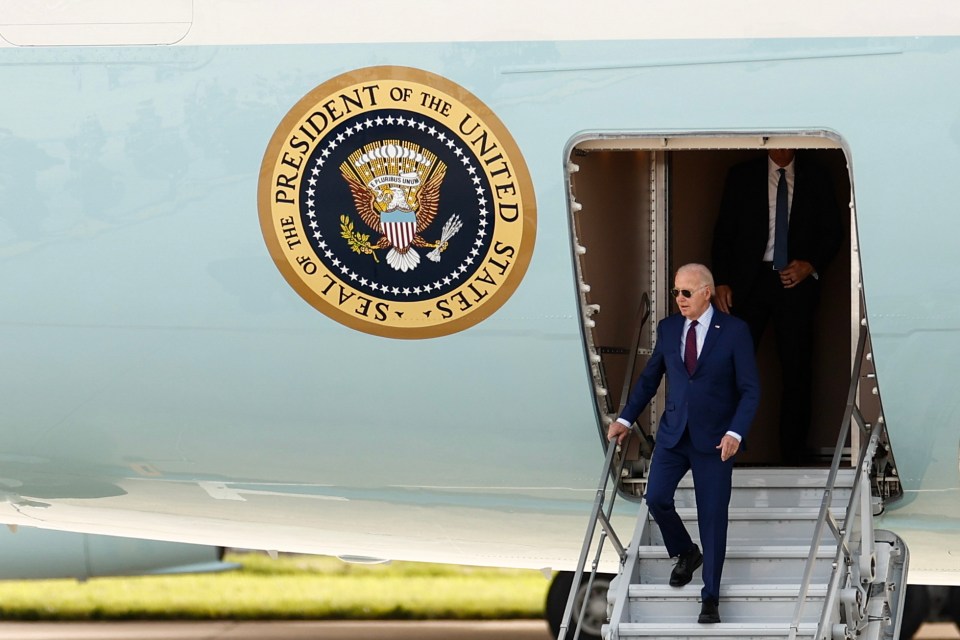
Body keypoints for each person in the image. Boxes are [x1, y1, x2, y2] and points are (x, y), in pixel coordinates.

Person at [607, 263, 760, 624]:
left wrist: (735, 433)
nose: (679, 299)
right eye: (676, 292)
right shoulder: (669, 328)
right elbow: (650, 379)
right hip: (674, 435)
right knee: (656, 498)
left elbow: (750, 390)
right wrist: (626, 419)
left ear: (707, 292)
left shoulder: (735, 332)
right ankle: (685, 551)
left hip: (715, 440)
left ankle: (710, 598)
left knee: (712, 519)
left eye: (686, 293)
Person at [711, 149, 842, 465]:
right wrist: (722, 280)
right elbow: (724, 231)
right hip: (747, 285)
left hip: (794, 283)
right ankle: (716, 451)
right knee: (730, 369)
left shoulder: (817, 175)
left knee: (797, 371)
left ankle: (793, 457)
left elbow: (833, 231)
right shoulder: (742, 174)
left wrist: (809, 265)